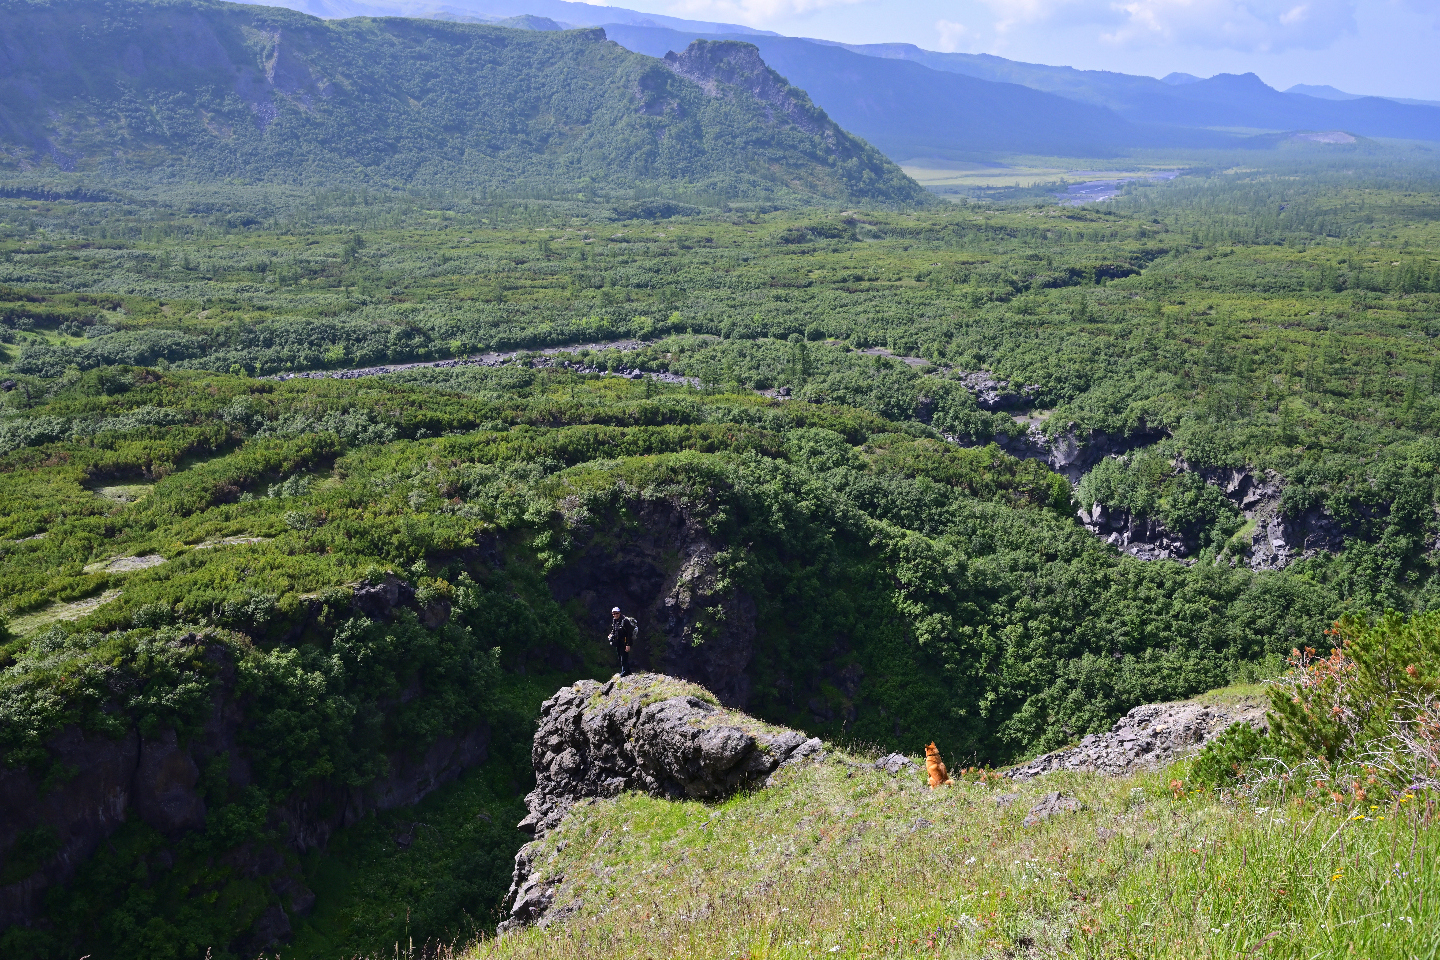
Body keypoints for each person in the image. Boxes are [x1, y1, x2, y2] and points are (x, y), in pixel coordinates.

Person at [608, 606, 637, 677]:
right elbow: (615, 630)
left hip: (624, 642)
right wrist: (611, 636)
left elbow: (629, 634)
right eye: (613, 614)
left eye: (616, 613)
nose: (615, 615)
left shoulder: (625, 621)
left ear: (620, 613)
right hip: (618, 642)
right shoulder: (615, 620)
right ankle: (628, 671)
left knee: (623, 657)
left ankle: (624, 672)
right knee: (619, 656)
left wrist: (628, 644)